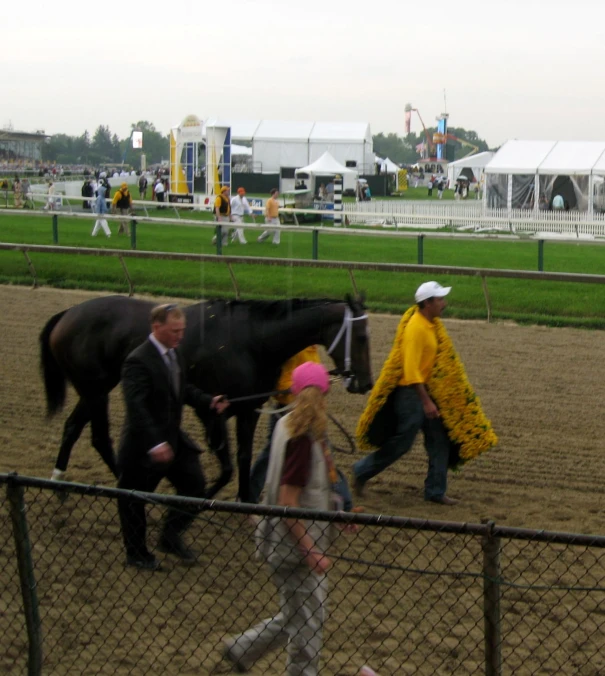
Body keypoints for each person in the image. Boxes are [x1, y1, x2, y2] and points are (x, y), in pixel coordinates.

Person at [224, 362, 345, 674]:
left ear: (294, 392)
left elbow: (311, 489)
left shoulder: (286, 424)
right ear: (324, 394)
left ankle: (242, 648)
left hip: (285, 542)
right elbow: (289, 500)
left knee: (299, 613)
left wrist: (339, 511)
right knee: (307, 623)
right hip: (293, 548)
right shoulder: (303, 437)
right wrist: (310, 550)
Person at [116, 304, 229, 571]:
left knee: (195, 486)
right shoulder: (137, 361)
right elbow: (136, 408)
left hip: (172, 440)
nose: (180, 336)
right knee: (134, 501)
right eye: (175, 331)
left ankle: (169, 535)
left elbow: (182, 389)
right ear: (157, 327)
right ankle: (137, 554)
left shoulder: (174, 354)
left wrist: (208, 401)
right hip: (142, 446)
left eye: (182, 331)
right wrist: (155, 443)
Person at [353, 282, 457, 505]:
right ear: (427, 303)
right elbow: (411, 372)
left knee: (439, 440)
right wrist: (427, 402)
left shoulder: (430, 324)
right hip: (411, 394)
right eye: (440, 300)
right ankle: (361, 471)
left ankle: (435, 491)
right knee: (402, 443)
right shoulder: (415, 329)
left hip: (423, 390)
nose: (444, 304)